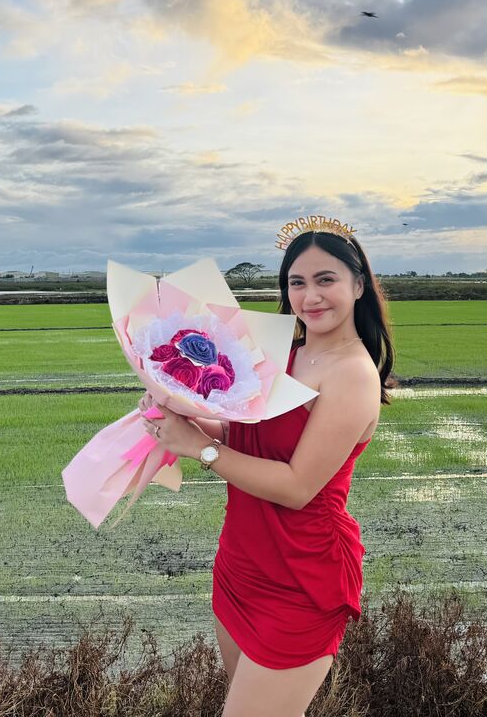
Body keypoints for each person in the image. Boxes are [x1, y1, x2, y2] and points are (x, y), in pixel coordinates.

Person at [138, 219, 396, 716]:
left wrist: (200, 449)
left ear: (359, 285)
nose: (310, 296)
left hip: (301, 578)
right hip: (242, 563)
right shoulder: (285, 356)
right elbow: (244, 435)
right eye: (297, 282)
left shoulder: (353, 376)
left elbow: (297, 486)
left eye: (325, 279)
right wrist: (181, 416)